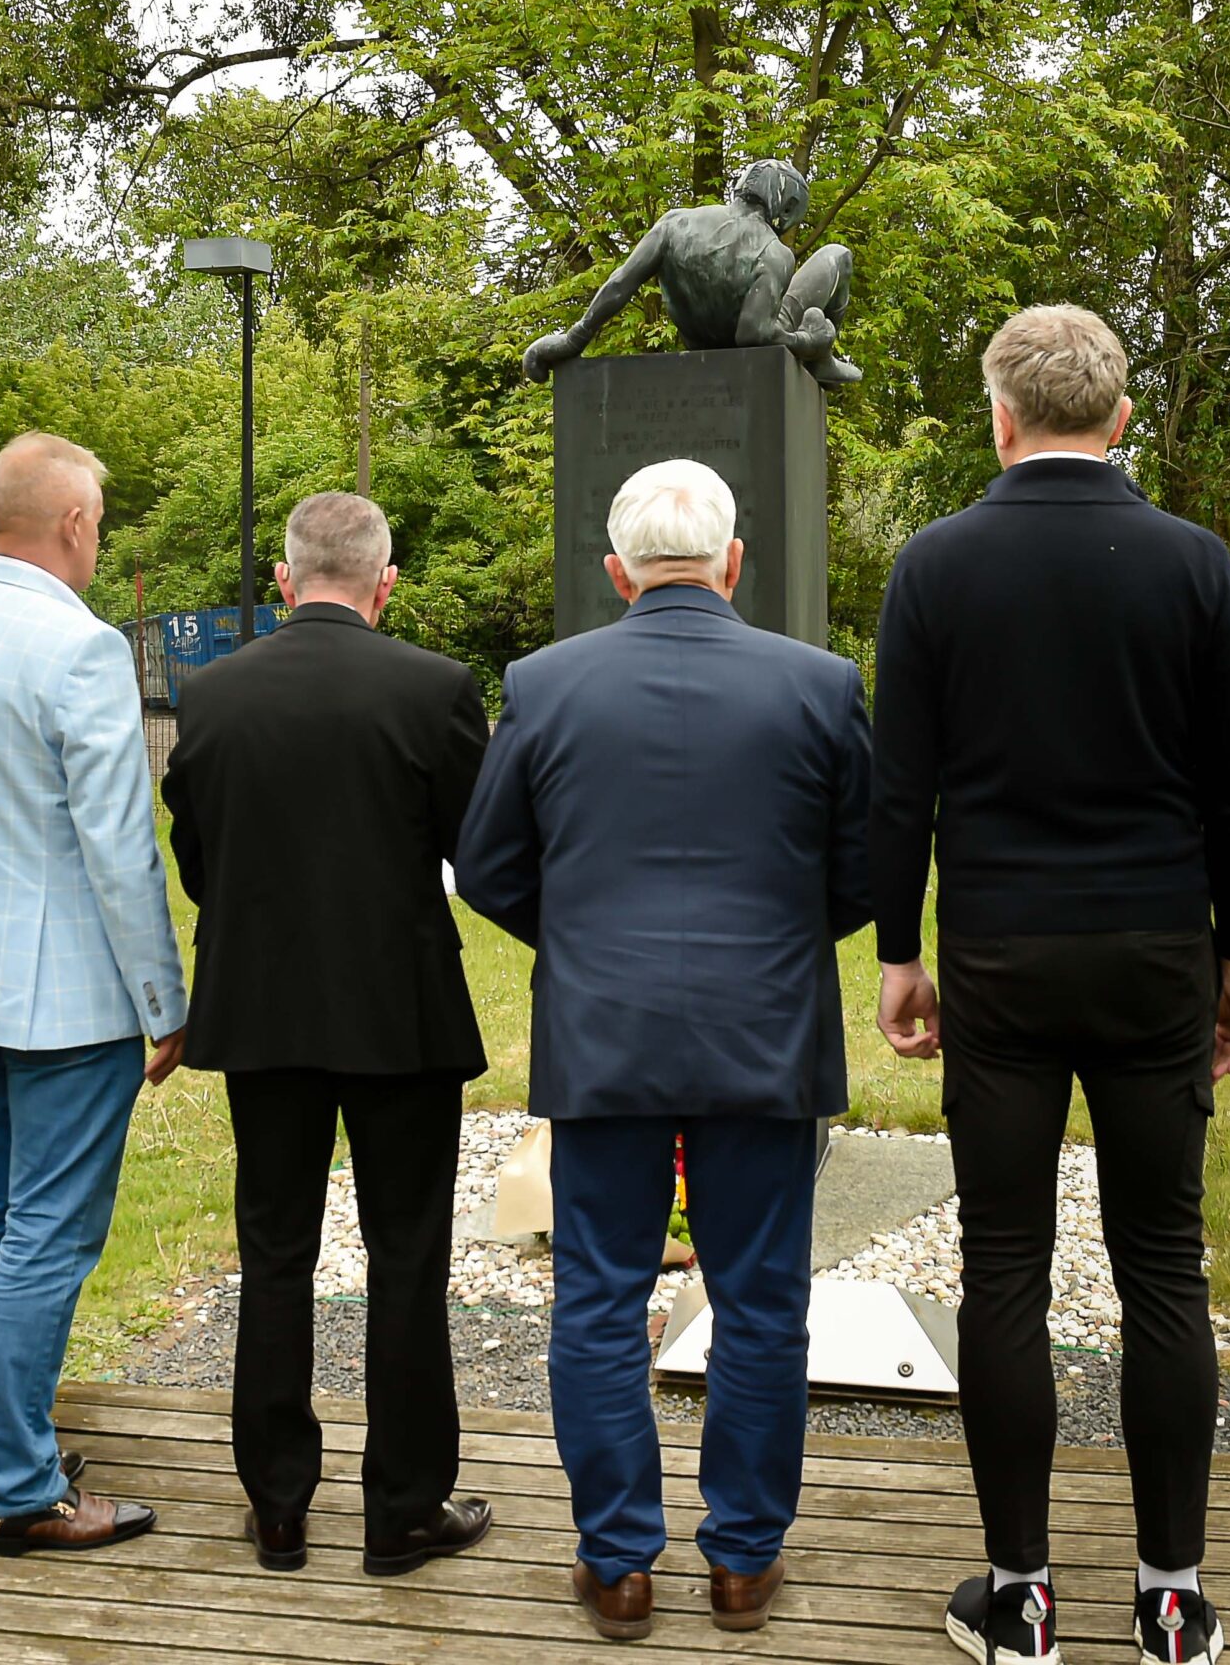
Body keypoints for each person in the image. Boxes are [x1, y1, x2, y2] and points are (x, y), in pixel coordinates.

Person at [867, 305, 1230, 1665]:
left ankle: (1021, 1598)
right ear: (1120, 419)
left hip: (1002, 954)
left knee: (1004, 1268)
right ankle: (1171, 1600)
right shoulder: (1192, 564)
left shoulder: (935, 566)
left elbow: (900, 791)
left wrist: (900, 954)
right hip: (1155, 950)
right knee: (1162, 1264)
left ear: (999, 418)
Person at [458, 458, 873, 1641]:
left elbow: (486, 866)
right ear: (733, 562)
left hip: (603, 1036)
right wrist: (780, 946)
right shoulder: (819, 685)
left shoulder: (544, 685)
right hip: (765, 1033)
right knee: (762, 1303)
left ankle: (619, 1563)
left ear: (617, 571)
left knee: (597, 1300)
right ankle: (742, 1560)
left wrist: (583, 942)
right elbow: (866, 869)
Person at [160, 492, 496, 1578]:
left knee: (275, 1251)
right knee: (407, 1255)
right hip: (401, 1009)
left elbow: (199, 855)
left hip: (261, 1006)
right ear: (385, 583)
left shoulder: (212, 695)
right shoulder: (435, 689)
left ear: (284, 581)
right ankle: (401, 1508)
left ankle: (277, 1506)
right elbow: (478, 848)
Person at [0, 431, 187, 1557]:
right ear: (71, 524)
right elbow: (119, 846)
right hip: (63, 1003)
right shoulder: (83, 648)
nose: (97, 541)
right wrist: (163, 1000)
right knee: (48, 1232)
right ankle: (17, 1483)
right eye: (97, 523)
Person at [522, 160, 861, 387]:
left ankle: (821, 358)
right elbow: (753, 334)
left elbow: (620, 283)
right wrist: (808, 342)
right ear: (786, 207)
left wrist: (574, 338)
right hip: (758, 345)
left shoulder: (675, 223)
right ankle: (822, 360)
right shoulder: (774, 253)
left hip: (700, 344)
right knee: (838, 256)